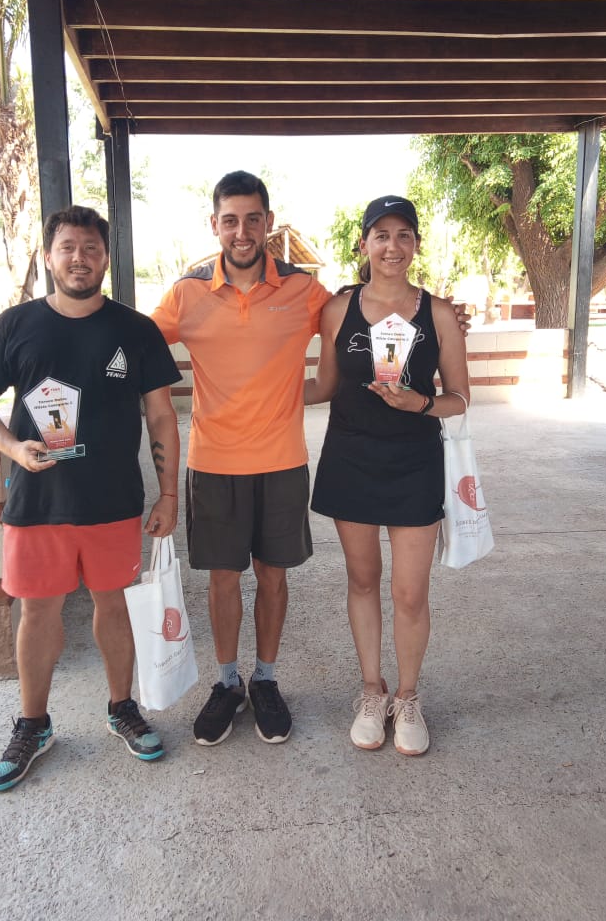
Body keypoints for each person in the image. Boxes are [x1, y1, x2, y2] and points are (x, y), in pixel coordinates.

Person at [152, 173, 470, 748]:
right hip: (224, 459)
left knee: (280, 577)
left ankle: (273, 680)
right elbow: (134, 342)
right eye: (231, 220)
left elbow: (380, 317)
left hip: (291, 459)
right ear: (215, 225)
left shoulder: (307, 292)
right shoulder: (189, 293)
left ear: (268, 223)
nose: (242, 231)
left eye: (253, 219)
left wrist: (444, 335)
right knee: (228, 580)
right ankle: (231, 683)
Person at [0, 205, 182, 791]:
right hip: (37, 503)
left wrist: (168, 495)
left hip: (113, 502)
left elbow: (161, 416)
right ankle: (33, 725)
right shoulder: (15, 325)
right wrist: (14, 449)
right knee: (38, 612)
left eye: (90, 248)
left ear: (106, 258)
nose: (79, 258)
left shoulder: (135, 330)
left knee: (115, 607)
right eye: (68, 248)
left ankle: (122, 708)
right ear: (48, 256)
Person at [305, 195, 470, 757]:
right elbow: (324, 386)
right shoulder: (338, 309)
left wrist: (419, 403)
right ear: (364, 244)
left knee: (410, 591)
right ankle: (372, 692)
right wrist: (256, 394)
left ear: (416, 244)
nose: (392, 247)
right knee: (362, 579)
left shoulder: (439, 314)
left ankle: (408, 697)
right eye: (382, 235)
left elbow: (459, 399)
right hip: (351, 459)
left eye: (404, 235)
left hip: (414, 464)